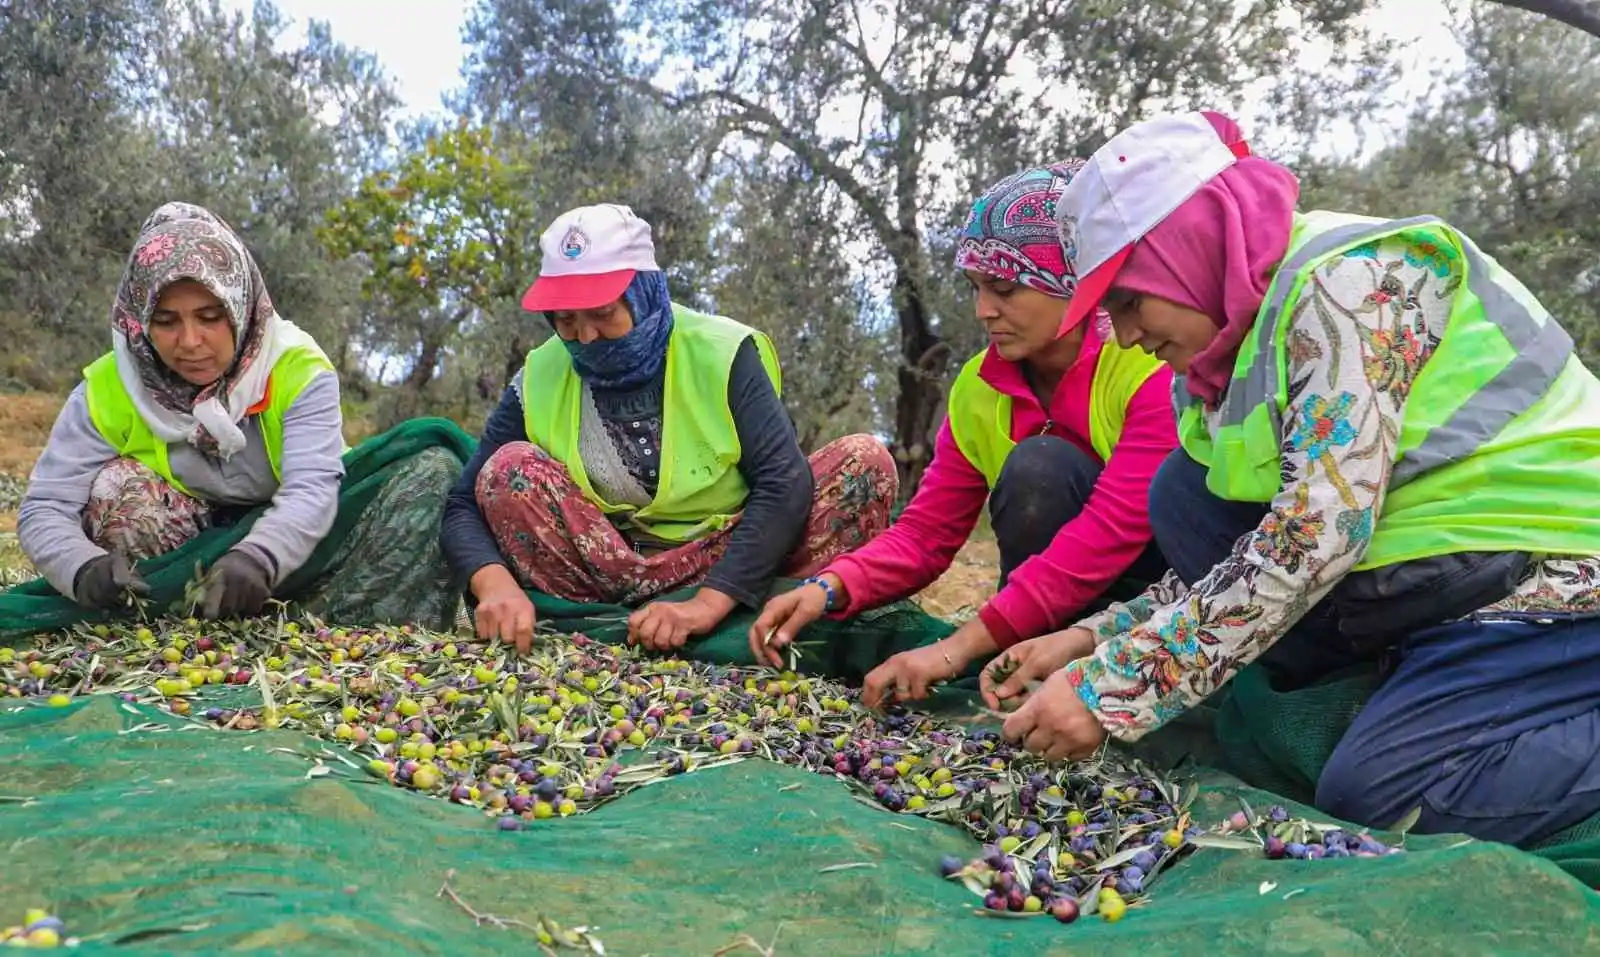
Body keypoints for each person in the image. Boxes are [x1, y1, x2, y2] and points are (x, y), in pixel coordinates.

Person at [987, 110, 1600, 848]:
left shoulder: (1346, 284)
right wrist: (1092, 637)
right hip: (1444, 574)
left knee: (1383, 793)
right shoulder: (1224, 359)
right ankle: (1403, 694)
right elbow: (1233, 549)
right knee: (1185, 493)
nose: (1125, 336)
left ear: (1185, 248)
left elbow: (1316, 532)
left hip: (1550, 572)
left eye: (1128, 299)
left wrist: (1113, 691)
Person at [750, 163, 1176, 704]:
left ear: (1075, 282)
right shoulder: (978, 388)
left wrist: (956, 649)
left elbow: (1107, 533)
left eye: (1003, 288)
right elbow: (927, 534)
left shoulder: (1144, 364)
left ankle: (1086, 659)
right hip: (1043, 605)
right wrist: (830, 586)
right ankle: (1030, 659)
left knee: (1041, 466)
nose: (983, 311)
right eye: (975, 288)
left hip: (1156, 593)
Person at [441, 203, 898, 654]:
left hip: (729, 557)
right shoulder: (542, 372)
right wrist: (496, 585)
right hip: (605, 571)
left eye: (602, 313)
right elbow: (464, 502)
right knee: (507, 471)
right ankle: (612, 623)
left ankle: (725, 613)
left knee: (864, 464)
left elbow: (784, 482)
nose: (585, 337)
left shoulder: (720, 353)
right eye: (566, 320)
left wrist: (706, 603)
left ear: (644, 292)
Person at [20, 202, 347, 619]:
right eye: (166, 321)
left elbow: (313, 490)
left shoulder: (296, 369)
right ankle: (162, 607)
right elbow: (45, 505)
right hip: (186, 538)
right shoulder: (109, 387)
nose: (190, 341)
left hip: (289, 538)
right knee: (116, 492)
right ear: (139, 322)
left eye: (210, 317)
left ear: (241, 308)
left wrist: (260, 557)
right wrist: (82, 567)